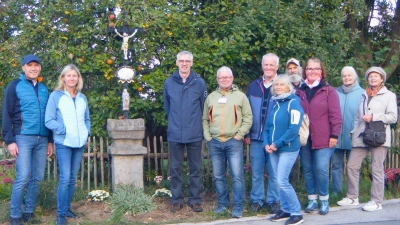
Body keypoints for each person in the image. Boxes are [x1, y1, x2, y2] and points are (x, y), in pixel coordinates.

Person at [2, 54, 53, 225]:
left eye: (36, 65)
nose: (33, 68)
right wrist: (10, 140)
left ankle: (28, 212)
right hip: (22, 137)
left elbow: (49, 116)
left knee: (37, 177)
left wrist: (50, 140)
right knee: (23, 176)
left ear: (39, 68)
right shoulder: (14, 86)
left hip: (42, 139)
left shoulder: (44, 89)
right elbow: (6, 114)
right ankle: (15, 215)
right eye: (29, 65)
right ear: (23, 68)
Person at [337, 67, 398, 212]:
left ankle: (376, 201)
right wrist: (353, 131)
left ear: (381, 79)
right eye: (370, 76)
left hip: (379, 136)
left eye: (376, 76)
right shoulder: (364, 94)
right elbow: (358, 116)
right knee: (352, 166)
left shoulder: (389, 95)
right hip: (362, 135)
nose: (372, 79)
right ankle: (352, 197)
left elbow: (393, 117)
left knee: (377, 168)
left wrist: (374, 117)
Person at [203, 66, 252, 218]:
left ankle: (238, 206)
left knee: (237, 175)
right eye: (221, 77)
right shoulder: (211, 97)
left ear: (232, 79)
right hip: (215, 141)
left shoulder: (240, 97)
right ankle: (223, 205)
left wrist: (240, 135)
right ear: (217, 80)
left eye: (227, 77)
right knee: (218, 176)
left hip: (233, 141)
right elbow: (205, 119)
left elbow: (248, 118)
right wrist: (208, 136)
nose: (224, 79)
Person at [295, 57, 342, 215]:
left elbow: (336, 116)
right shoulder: (299, 91)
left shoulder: (328, 90)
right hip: (304, 138)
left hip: (324, 137)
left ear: (321, 71)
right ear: (305, 71)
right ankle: (312, 200)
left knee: (321, 168)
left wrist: (334, 135)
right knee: (308, 169)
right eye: (309, 69)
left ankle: (324, 200)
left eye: (316, 68)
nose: (312, 71)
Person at [45, 64, 90, 225]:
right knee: (64, 179)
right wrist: (63, 129)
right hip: (64, 143)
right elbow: (49, 120)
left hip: (79, 144)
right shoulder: (55, 96)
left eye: (74, 75)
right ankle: (60, 214)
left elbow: (86, 119)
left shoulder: (82, 97)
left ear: (78, 78)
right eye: (68, 75)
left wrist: (86, 133)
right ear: (63, 78)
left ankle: (66, 208)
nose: (72, 78)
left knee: (72, 178)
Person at [163, 51, 207, 213]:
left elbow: (204, 107)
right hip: (175, 133)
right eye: (181, 61)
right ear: (176, 63)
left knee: (195, 169)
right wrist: (175, 123)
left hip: (195, 133)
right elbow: (168, 107)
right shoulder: (169, 83)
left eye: (187, 61)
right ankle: (177, 199)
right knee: (175, 169)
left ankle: (195, 199)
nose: (184, 64)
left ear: (191, 63)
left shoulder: (199, 83)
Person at [263, 74, 304, 225]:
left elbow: (293, 128)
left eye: (282, 84)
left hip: (287, 148)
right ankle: (285, 209)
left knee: (282, 180)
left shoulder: (293, 102)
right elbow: (268, 127)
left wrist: (277, 144)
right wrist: (266, 144)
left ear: (289, 87)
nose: (278, 87)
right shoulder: (276, 103)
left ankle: (296, 212)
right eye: (276, 85)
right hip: (273, 149)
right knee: (277, 180)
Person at [244, 53, 280, 213]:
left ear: (277, 67)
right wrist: (246, 133)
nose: (268, 67)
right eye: (266, 64)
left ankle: (273, 200)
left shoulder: (281, 85)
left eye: (272, 65)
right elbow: (246, 112)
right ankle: (257, 200)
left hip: (273, 139)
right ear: (262, 66)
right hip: (256, 138)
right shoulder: (254, 86)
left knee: (274, 172)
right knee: (257, 171)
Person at [331, 66, 364, 196]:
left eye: (349, 75)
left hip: (354, 137)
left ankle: (352, 192)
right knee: (335, 166)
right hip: (336, 136)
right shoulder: (335, 92)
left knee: (353, 168)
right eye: (344, 76)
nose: (347, 78)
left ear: (355, 76)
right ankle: (336, 191)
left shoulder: (362, 93)